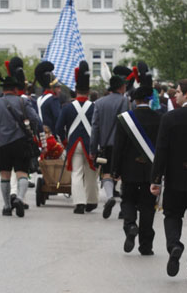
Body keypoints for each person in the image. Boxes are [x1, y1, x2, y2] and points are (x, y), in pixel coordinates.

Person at [150, 78, 187, 279]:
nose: (176, 95)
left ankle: (174, 244)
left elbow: (162, 150)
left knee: (172, 216)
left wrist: (156, 179)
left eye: (179, 92)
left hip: (174, 178)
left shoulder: (170, 118)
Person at [0, 57, 41, 217]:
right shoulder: (23, 102)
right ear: (15, 88)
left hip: (2, 145)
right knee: (22, 173)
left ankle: (7, 206)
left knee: (5, 175)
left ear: (4, 89)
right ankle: (19, 198)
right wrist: (34, 132)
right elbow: (35, 119)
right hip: (21, 143)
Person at [112, 62, 161, 254]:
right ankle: (146, 246)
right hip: (151, 171)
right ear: (150, 99)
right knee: (148, 207)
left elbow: (118, 148)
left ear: (135, 100)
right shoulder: (160, 118)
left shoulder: (125, 119)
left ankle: (131, 225)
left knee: (128, 201)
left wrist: (115, 170)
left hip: (129, 169)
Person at [55, 61, 99, 214]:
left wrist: (65, 140)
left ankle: (79, 202)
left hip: (74, 144)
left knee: (76, 173)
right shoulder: (94, 107)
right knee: (91, 172)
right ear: (88, 91)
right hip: (90, 143)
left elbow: (58, 128)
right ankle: (91, 201)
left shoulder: (67, 107)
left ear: (76, 91)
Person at [90, 65, 131, 219]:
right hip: (123, 145)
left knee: (106, 172)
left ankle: (109, 197)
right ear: (121, 87)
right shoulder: (125, 101)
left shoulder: (99, 103)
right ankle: (124, 207)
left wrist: (93, 149)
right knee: (123, 174)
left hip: (105, 145)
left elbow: (95, 128)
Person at [34, 61, 63, 134]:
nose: (59, 90)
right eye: (57, 87)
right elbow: (58, 120)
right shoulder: (53, 100)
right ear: (52, 87)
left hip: (41, 136)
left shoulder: (38, 99)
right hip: (52, 136)